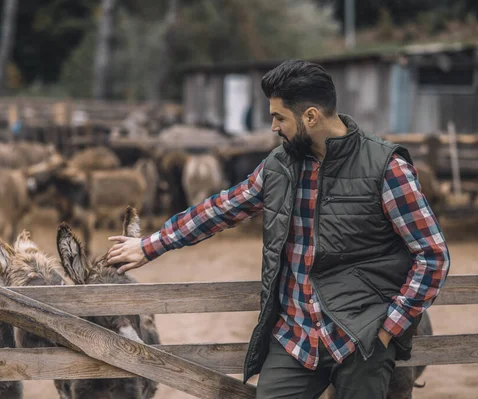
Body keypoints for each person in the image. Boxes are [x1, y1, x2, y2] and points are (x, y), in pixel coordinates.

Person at [106, 60, 450, 399]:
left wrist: (390, 327)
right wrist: (152, 244)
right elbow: (223, 207)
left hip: (361, 340)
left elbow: (432, 255)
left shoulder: (386, 168)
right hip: (296, 341)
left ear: (311, 117)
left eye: (279, 117)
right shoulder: (279, 166)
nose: (273, 127)